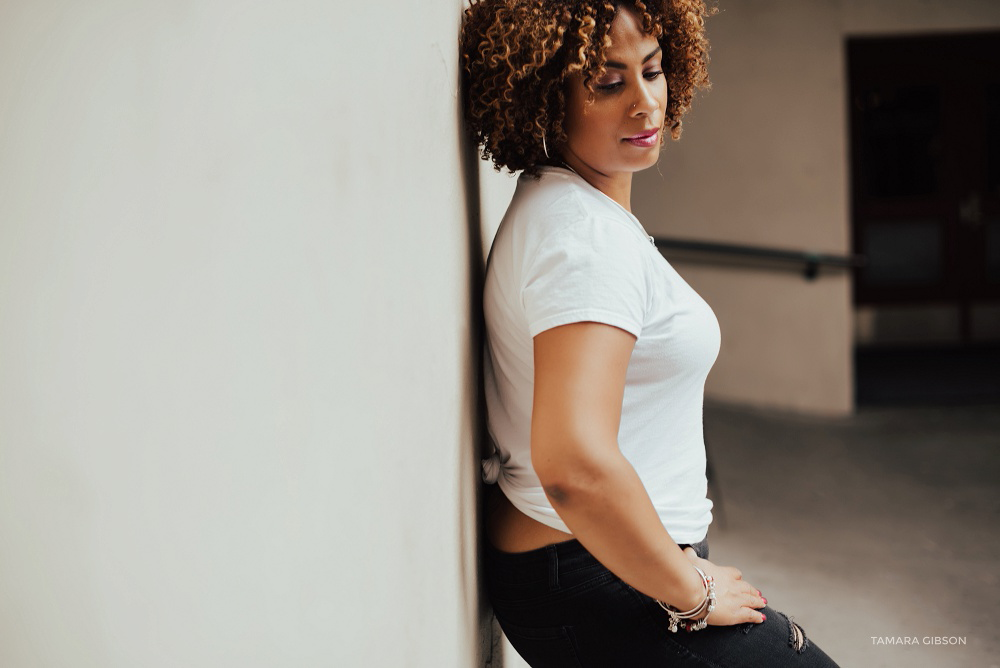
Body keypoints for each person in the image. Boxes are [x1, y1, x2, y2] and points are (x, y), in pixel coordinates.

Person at [461, 1, 840, 666]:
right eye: (608, 83)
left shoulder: (569, 209)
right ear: (546, 99)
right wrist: (687, 593)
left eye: (654, 71)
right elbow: (573, 465)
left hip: (603, 565)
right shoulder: (583, 238)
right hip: (600, 574)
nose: (645, 104)